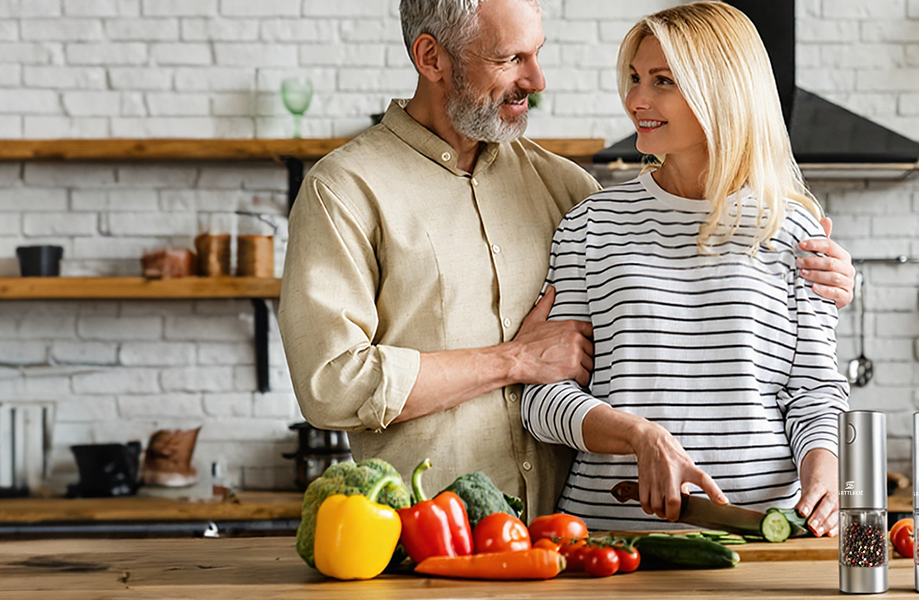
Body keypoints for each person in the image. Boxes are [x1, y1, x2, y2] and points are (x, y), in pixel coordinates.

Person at [278, 0, 856, 520]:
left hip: (559, 536)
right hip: (425, 527)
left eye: (537, 53)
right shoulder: (346, 189)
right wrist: (514, 361)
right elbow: (333, 385)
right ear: (431, 56)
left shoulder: (568, 190)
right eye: (510, 58)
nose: (537, 79)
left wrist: (835, 280)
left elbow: (800, 378)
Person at [521, 2, 849, 537]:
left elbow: (814, 392)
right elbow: (542, 398)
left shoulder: (792, 229)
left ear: (720, 92)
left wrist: (825, 474)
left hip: (761, 536)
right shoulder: (591, 224)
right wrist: (638, 435)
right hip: (610, 540)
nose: (636, 100)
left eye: (662, 81)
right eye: (633, 78)